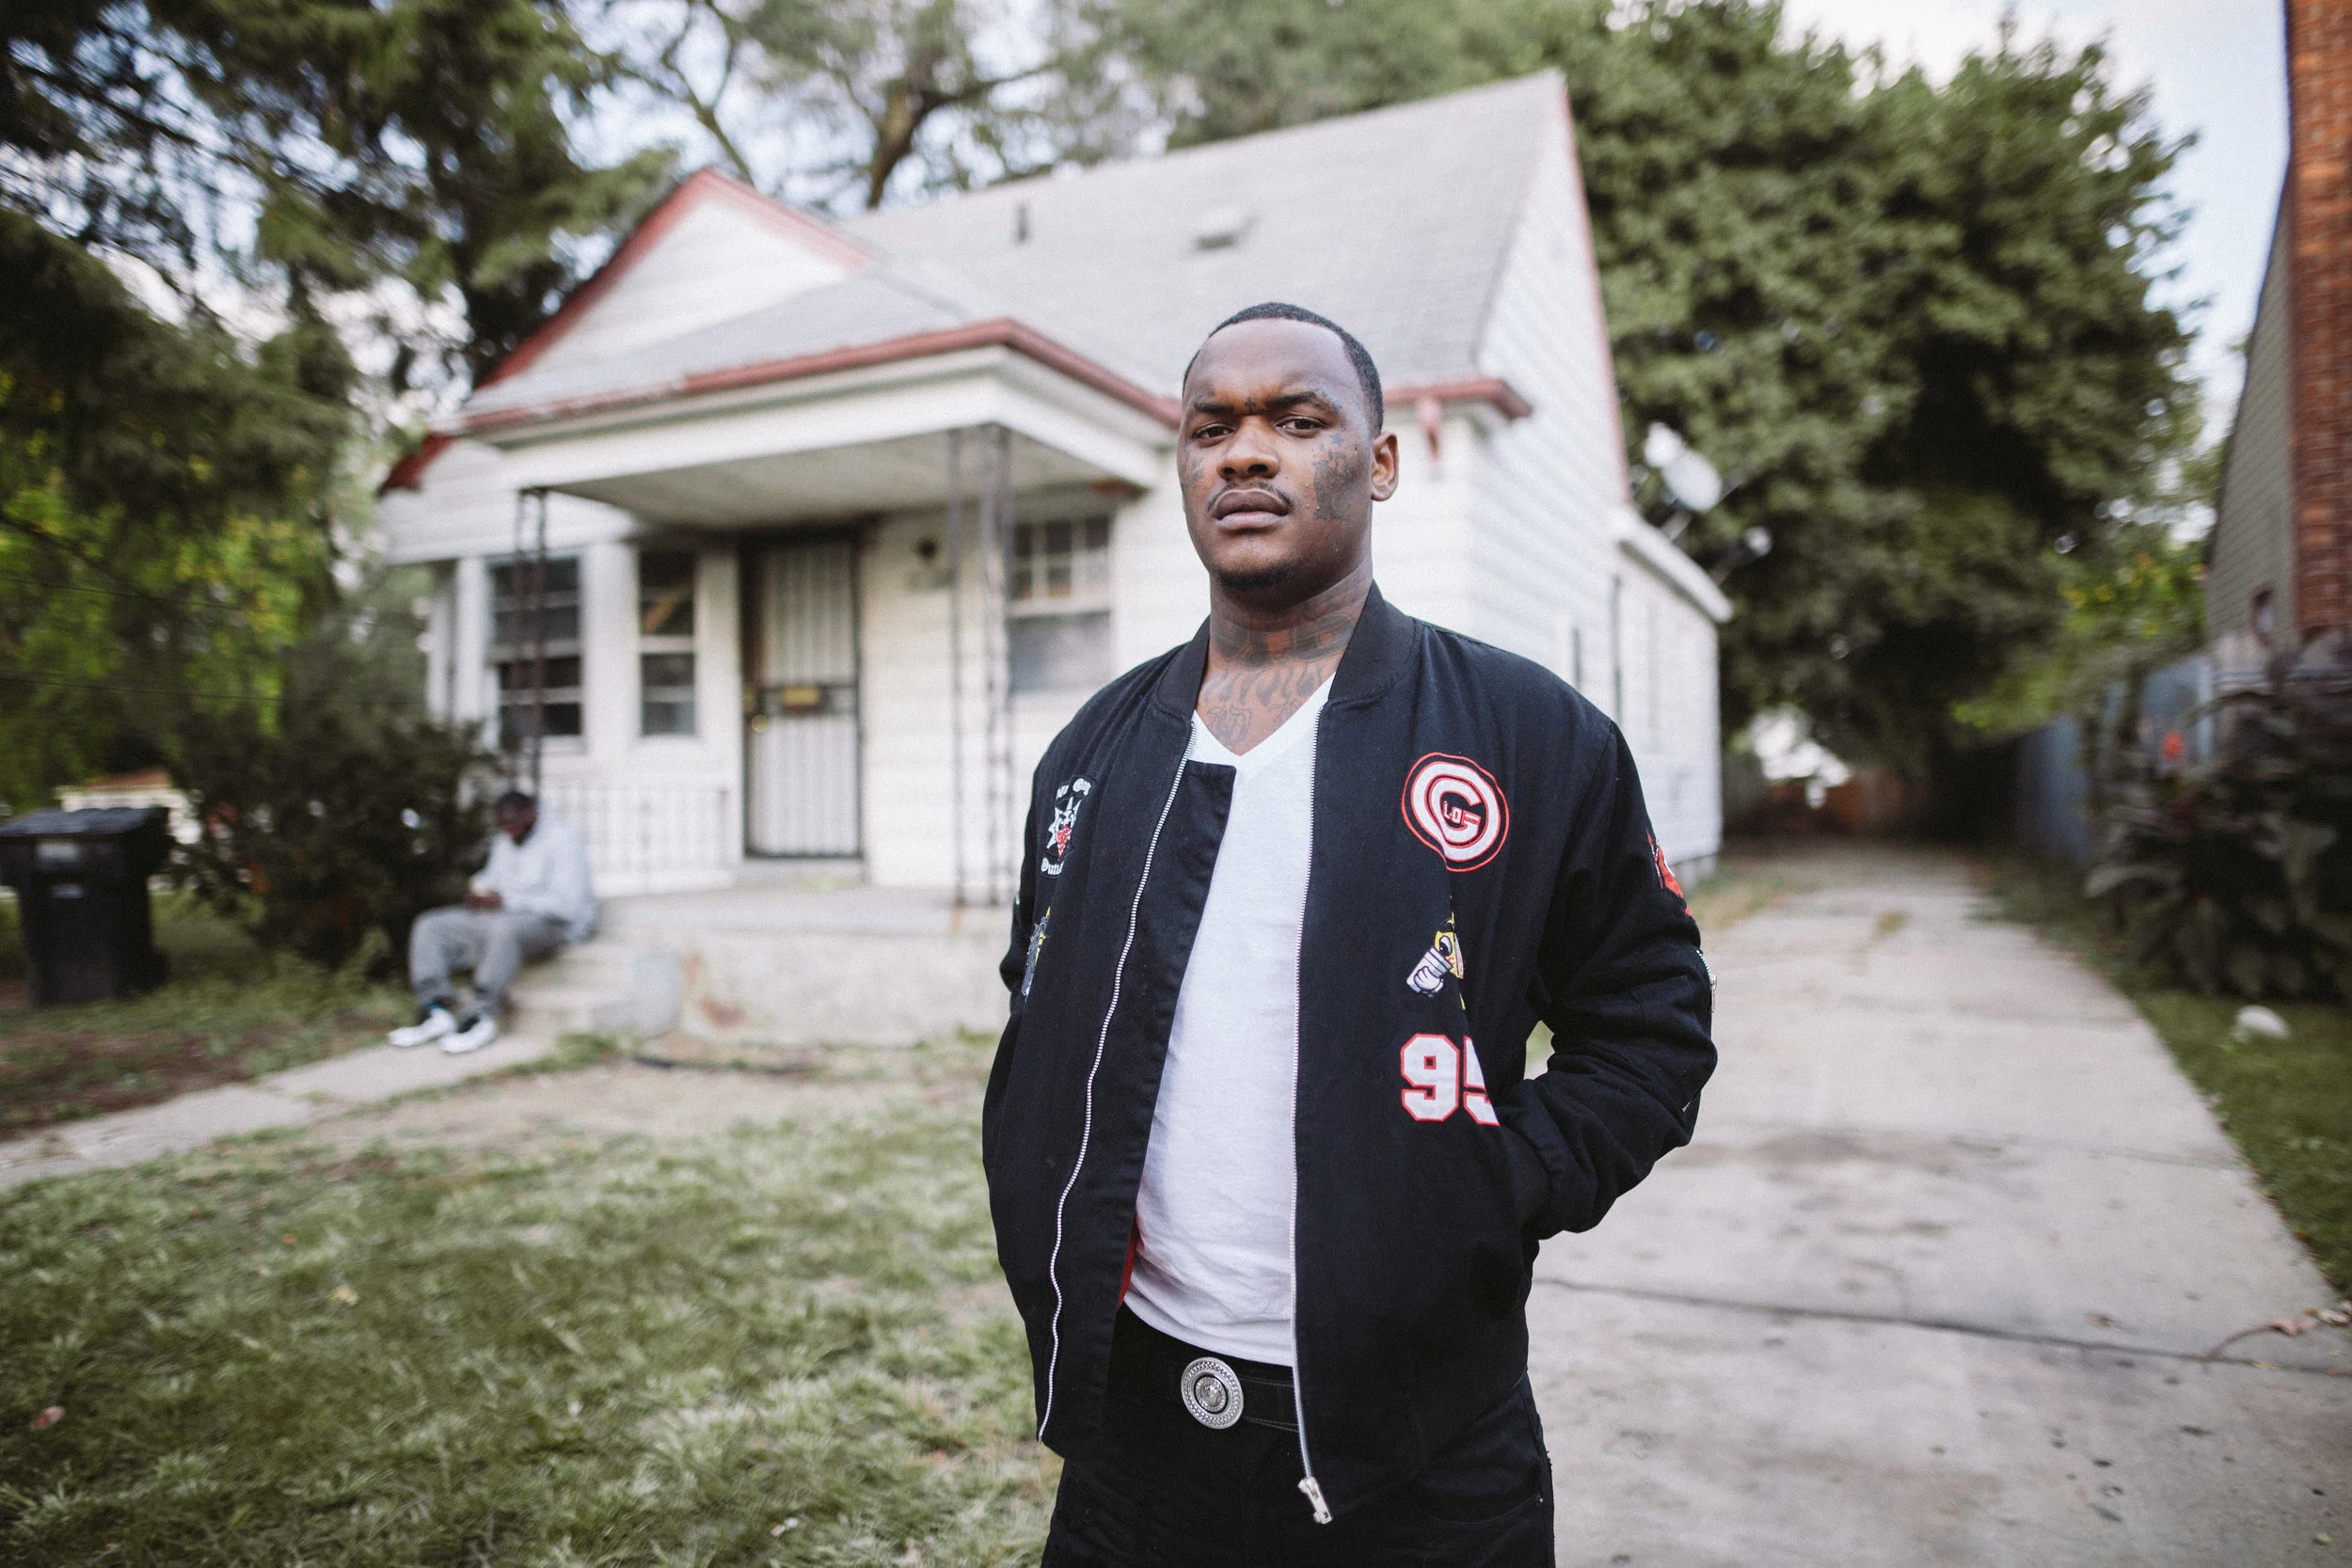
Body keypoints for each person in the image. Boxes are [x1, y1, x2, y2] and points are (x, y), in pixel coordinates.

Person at [984, 303, 1716, 1566]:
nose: (1244, 451)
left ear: (1378, 462)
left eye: (1297, 418)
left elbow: (1649, 1024)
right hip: (1134, 1438)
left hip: (1420, 1453)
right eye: (1210, 427)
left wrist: (1490, 1182)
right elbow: (1036, 993)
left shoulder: (1528, 733)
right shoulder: (1094, 749)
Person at [389, 790, 596, 1055]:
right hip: (502, 917)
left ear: (531, 812)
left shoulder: (563, 840)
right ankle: (435, 1010)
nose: (508, 828)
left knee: (503, 929)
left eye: (512, 820)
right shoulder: (504, 842)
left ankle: (481, 1015)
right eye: (503, 822)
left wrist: (505, 901)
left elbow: (566, 907)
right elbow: (490, 880)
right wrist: (479, 893)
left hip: (553, 925)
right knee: (431, 925)